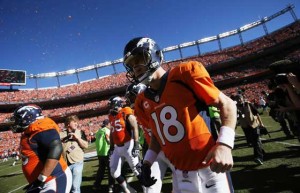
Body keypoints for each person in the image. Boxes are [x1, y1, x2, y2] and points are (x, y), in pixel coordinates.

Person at [123, 37, 237, 193]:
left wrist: (224, 144)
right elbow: (156, 135)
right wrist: (147, 163)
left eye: (139, 59)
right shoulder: (141, 102)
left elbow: (228, 104)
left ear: (155, 54)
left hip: (211, 168)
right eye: (131, 64)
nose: (136, 66)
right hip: (180, 173)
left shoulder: (184, 74)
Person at [125, 83, 179, 193]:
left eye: (132, 96)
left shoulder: (156, 104)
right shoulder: (137, 112)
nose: (130, 100)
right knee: (150, 187)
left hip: (171, 149)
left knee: (181, 187)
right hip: (155, 151)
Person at [11, 104, 72, 193]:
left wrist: (41, 178)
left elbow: (56, 148)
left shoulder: (40, 126)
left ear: (29, 117)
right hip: (41, 181)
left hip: (53, 178)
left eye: (18, 119)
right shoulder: (29, 131)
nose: (16, 122)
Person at [108, 96, 140, 193]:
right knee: (114, 172)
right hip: (118, 147)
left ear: (117, 103)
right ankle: (128, 190)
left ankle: (147, 189)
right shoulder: (111, 116)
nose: (111, 106)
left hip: (128, 144)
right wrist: (111, 147)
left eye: (112, 104)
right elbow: (112, 132)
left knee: (137, 170)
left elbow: (135, 127)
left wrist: (136, 144)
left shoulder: (126, 110)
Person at [60, 115, 88, 193]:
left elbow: (86, 145)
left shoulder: (80, 132)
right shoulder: (61, 134)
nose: (77, 124)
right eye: (74, 122)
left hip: (77, 162)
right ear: (68, 124)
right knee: (67, 187)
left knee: (75, 187)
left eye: (77, 122)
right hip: (65, 164)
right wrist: (64, 138)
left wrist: (77, 139)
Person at [235, 94, 266, 165]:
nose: (239, 100)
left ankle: (258, 157)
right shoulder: (235, 108)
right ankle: (262, 152)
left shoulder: (249, 104)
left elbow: (256, 114)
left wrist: (261, 123)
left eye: (240, 98)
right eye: (237, 99)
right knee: (251, 142)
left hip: (254, 125)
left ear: (243, 98)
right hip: (245, 127)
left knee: (256, 140)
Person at [93, 119, 115, 192]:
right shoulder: (107, 131)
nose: (110, 125)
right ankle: (111, 187)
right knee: (110, 171)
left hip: (100, 153)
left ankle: (96, 185)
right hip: (106, 153)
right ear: (107, 124)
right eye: (110, 124)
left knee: (101, 171)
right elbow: (108, 141)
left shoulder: (99, 131)